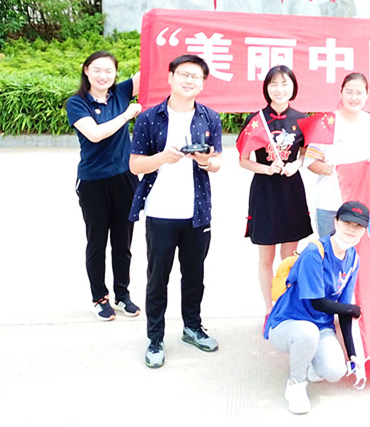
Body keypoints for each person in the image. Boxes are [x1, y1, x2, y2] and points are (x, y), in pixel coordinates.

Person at [129, 54, 223, 369]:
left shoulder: (210, 117)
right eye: (183, 74)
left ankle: (192, 328)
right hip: (160, 212)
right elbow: (135, 165)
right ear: (170, 77)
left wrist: (205, 161)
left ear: (203, 83)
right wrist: (162, 158)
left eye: (195, 76)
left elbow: (218, 162)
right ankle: (155, 338)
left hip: (197, 213)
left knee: (194, 276)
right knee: (158, 279)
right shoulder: (149, 118)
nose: (189, 80)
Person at [264, 201, 370, 414]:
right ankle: (296, 383)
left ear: (364, 231)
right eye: (347, 223)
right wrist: (350, 309)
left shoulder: (353, 259)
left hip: (321, 327)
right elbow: (318, 302)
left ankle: (309, 359)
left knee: (335, 371)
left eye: (358, 226)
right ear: (336, 222)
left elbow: (343, 309)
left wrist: (352, 354)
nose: (351, 230)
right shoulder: (315, 252)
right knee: (307, 333)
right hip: (288, 323)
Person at [65, 50, 143, 321]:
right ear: (86, 70)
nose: (103, 75)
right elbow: (95, 134)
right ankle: (99, 298)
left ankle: (122, 295)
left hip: (125, 178)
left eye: (109, 71)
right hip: (93, 182)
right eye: (97, 70)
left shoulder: (121, 92)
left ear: (116, 73)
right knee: (97, 242)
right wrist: (127, 115)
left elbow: (152, 70)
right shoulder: (77, 103)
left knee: (123, 242)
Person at [240, 65, 313, 313]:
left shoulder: (302, 119)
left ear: (293, 87)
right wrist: (266, 169)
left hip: (291, 191)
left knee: (290, 257)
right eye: (274, 84)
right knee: (266, 258)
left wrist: (296, 165)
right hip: (265, 192)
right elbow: (243, 159)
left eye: (285, 84)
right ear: (266, 88)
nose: (279, 89)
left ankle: (287, 306)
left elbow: (305, 154)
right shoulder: (257, 119)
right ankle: (269, 309)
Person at [304, 73, 370, 237]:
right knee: (329, 248)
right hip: (330, 203)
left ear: (367, 94)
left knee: (362, 250)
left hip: (364, 203)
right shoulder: (326, 123)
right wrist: (324, 168)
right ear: (341, 92)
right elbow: (310, 161)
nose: (354, 98)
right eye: (349, 92)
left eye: (359, 92)